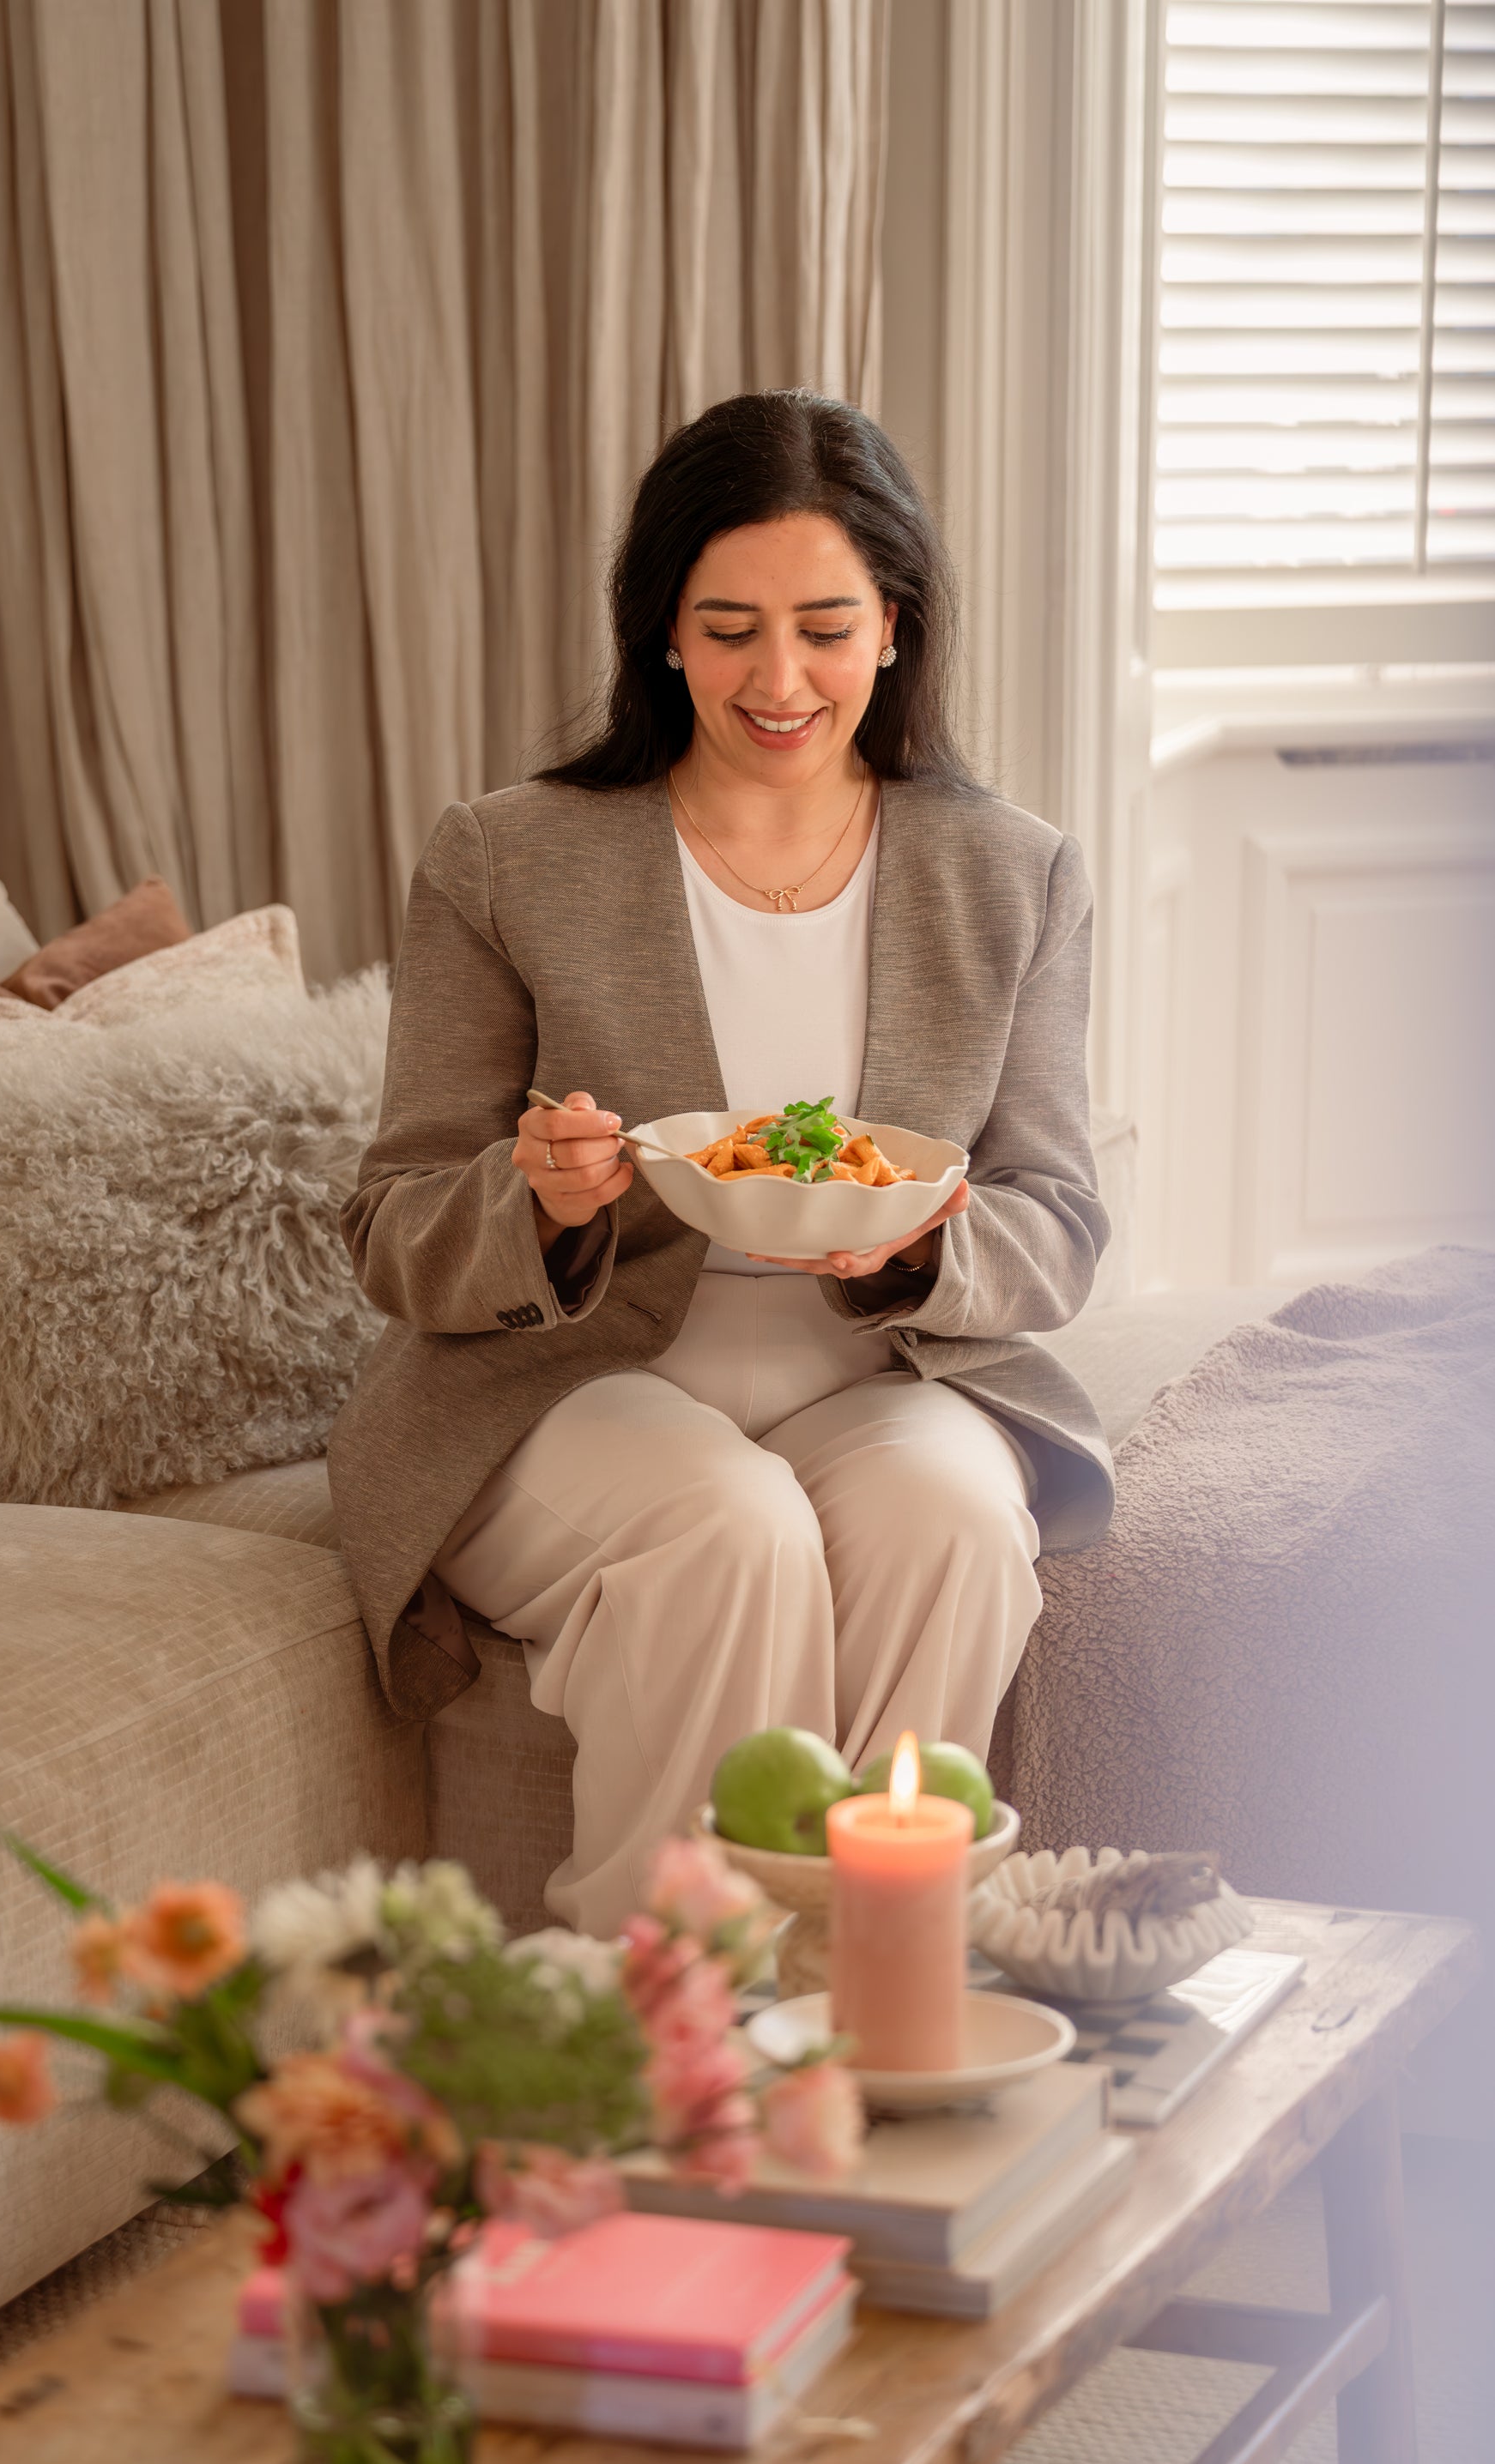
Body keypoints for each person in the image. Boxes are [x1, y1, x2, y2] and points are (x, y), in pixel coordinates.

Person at [330, 390, 1113, 1939]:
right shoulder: (508, 854)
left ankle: (872, 1983)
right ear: (662, 634)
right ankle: (669, 2006)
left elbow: (1059, 1220)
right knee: (727, 1526)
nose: (779, 679)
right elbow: (393, 1222)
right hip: (567, 1389)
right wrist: (538, 1203)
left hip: (877, 1372)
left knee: (954, 1519)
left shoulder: (1009, 871)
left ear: (894, 626)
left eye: (825, 628)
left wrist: (915, 1243)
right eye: (729, 628)